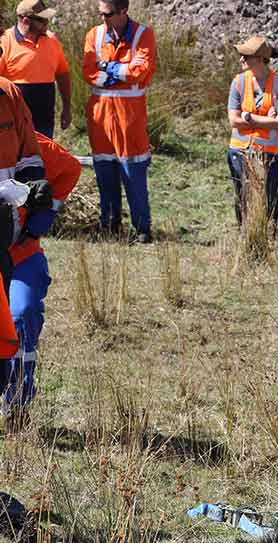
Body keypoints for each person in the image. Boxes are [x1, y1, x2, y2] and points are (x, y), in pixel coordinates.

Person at [4, 131, 79, 431]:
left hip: (21, 254)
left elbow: (70, 168)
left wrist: (42, 217)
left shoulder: (24, 141)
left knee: (24, 313)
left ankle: (17, 404)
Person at [82, 0, 155, 243]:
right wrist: (119, 72)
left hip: (129, 116)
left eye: (108, 14)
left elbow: (139, 71)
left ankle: (142, 230)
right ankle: (110, 225)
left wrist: (106, 68)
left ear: (123, 11)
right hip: (99, 115)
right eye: (100, 13)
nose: (102, 18)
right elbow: (88, 71)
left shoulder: (144, 35)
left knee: (133, 171)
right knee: (104, 170)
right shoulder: (94, 34)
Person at [0, 74, 47, 431]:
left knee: (24, 313)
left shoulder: (10, 92)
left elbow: (31, 157)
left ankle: (17, 401)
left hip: (17, 240)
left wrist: (43, 201)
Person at [227, 36, 278, 233]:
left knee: (272, 198)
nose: (241, 59)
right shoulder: (238, 82)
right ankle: (246, 236)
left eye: (246, 56)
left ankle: (277, 238)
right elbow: (233, 120)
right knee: (242, 195)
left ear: (260, 58)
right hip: (239, 150)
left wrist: (248, 117)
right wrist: (264, 119)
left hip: (270, 152)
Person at [0, 0, 71, 138]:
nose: (47, 23)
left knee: (43, 158)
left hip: (44, 123)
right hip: (13, 124)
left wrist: (67, 108)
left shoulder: (52, 40)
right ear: (26, 20)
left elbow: (62, 75)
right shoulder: (4, 42)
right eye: (42, 20)